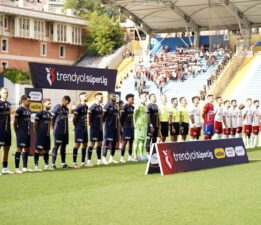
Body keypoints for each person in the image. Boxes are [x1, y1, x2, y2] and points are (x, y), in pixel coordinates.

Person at [14, 95, 33, 173]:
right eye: (28, 101)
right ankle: (17, 168)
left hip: (27, 133)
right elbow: (15, 123)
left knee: (27, 149)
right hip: (21, 132)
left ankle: (25, 167)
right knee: (19, 149)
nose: (30, 102)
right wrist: (17, 132)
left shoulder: (28, 110)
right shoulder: (19, 110)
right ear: (23, 101)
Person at [51, 95, 71, 169]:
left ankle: (63, 163)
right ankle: (53, 164)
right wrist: (53, 128)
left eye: (68, 103)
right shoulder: (57, 107)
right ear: (64, 100)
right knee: (56, 146)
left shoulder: (66, 109)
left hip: (65, 131)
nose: (67, 104)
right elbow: (52, 118)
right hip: (58, 131)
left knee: (63, 146)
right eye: (67, 102)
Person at [34, 98, 52, 171]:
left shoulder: (49, 114)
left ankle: (46, 165)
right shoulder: (39, 113)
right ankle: (36, 166)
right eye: (48, 103)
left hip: (47, 135)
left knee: (47, 150)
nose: (50, 105)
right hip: (41, 134)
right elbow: (35, 125)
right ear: (44, 104)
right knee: (38, 149)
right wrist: (38, 133)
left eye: (50, 103)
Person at [102, 93, 120, 164]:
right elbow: (103, 116)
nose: (114, 97)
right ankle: (103, 158)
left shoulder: (116, 105)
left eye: (115, 96)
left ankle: (111, 158)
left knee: (114, 142)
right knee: (107, 142)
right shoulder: (107, 105)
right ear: (110, 97)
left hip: (115, 127)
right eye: (113, 96)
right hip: (108, 126)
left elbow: (117, 116)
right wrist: (105, 123)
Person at [87, 92, 104, 166]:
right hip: (94, 128)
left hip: (100, 128)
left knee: (99, 144)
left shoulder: (100, 107)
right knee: (92, 144)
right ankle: (88, 161)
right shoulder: (93, 106)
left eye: (102, 97)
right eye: (101, 97)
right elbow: (88, 115)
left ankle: (99, 160)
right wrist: (89, 124)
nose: (102, 98)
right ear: (96, 98)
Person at [72, 92, 88, 168]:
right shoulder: (78, 107)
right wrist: (76, 126)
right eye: (85, 96)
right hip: (79, 128)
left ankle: (83, 162)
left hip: (85, 128)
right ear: (81, 98)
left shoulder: (86, 107)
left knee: (85, 144)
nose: (86, 97)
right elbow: (74, 119)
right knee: (77, 145)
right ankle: (74, 163)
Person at [0, 87, 14, 174]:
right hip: (0, 130)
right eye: (4, 93)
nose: (6, 94)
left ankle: (5, 168)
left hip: (7, 130)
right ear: (0, 93)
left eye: (7, 93)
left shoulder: (9, 104)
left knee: (7, 149)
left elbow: (11, 115)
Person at [120, 94, 135, 163]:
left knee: (131, 141)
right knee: (125, 141)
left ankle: (130, 156)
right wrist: (122, 126)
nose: (133, 100)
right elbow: (121, 117)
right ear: (128, 99)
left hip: (131, 126)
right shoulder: (125, 107)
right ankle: (122, 157)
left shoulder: (132, 107)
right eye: (132, 99)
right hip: (126, 126)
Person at [133, 92, 148, 161]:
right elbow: (134, 114)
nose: (146, 97)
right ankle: (135, 156)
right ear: (140, 97)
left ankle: (141, 155)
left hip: (144, 126)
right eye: (144, 96)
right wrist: (134, 123)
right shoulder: (138, 105)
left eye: (146, 96)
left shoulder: (145, 106)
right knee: (137, 141)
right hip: (139, 125)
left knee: (142, 141)